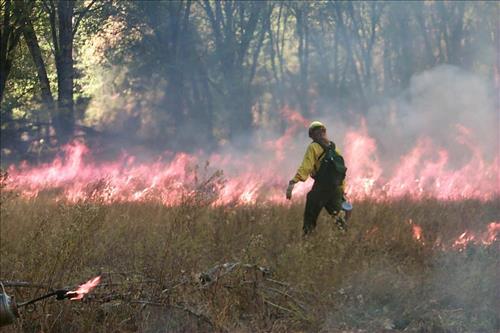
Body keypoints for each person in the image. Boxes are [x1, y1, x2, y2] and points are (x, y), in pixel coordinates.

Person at [286, 121, 347, 235]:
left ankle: (307, 241)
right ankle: (344, 238)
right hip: (336, 189)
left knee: (310, 216)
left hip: (322, 188)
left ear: (312, 134)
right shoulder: (335, 149)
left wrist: (294, 180)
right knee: (339, 219)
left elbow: (306, 166)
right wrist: (343, 189)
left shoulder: (313, 147)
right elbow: (341, 171)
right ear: (324, 131)